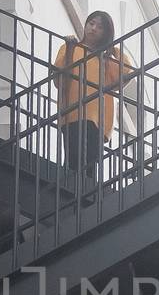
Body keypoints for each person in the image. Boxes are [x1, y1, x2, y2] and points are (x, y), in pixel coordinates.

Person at [52, 10, 134, 178]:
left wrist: (111, 48)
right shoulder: (71, 48)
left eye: (100, 27)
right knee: (73, 155)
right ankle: (75, 191)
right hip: (73, 112)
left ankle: (82, 192)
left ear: (106, 33)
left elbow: (125, 74)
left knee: (89, 160)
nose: (94, 28)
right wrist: (69, 48)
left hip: (97, 116)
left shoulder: (106, 57)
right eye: (91, 23)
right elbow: (59, 80)